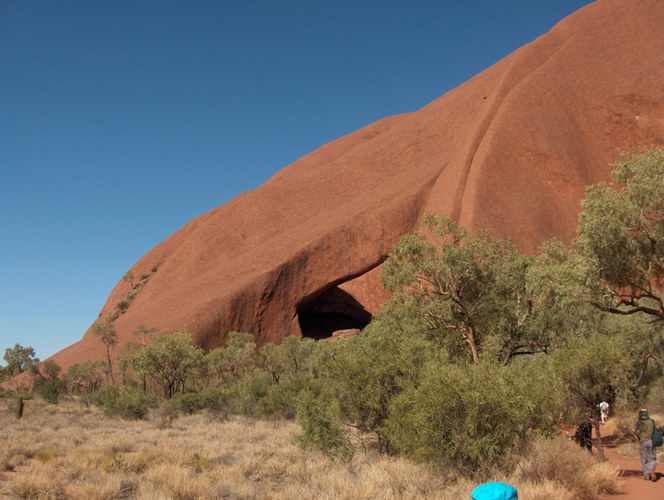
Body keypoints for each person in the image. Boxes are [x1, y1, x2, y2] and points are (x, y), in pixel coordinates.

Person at [631, 408, 657, 481]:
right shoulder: (651, 421)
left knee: (644, 459)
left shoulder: (639, 422)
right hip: (651, 442)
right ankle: (651, 468)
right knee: (653, 458)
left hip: (643, 442)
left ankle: (647, 475)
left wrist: (634, 434)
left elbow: (632, 431)